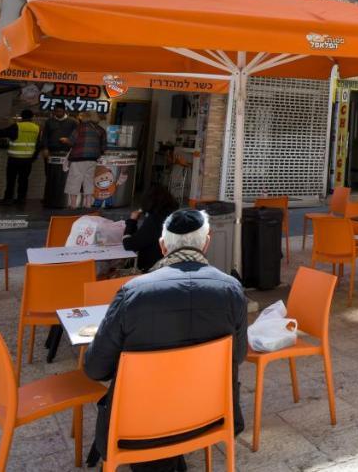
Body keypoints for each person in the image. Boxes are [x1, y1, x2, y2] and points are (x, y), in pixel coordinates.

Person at [84, 208, 247, 471]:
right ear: (207, 243)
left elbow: (95, 368)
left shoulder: (134, 292)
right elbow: (237, 356)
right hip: (209, 416)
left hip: (139, 427)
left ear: (162, 246)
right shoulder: (231, 289)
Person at [0, 108, 41, 206]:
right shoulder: (37, 128)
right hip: (28, 160)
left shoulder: (17, 126)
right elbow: (38, 144)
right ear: (32, 117)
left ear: (22, 116)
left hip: (14, 158)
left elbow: (1, 133)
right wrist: (34, 157)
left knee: (11, 180)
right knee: (24, 180)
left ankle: (8, 199)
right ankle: (21, 200)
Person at [122, 184, 180, 272]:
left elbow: (129, 245)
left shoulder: (155, 220)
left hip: (154, 269)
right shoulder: (176, 215)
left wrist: (132, 221)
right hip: (174, 266)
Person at [65, 112, 107, 209]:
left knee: (74, 180)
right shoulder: (101, 130)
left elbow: (71, 141)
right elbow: (104, 148)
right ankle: (88, 204)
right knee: (89, 180)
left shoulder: (80, 128)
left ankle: (73, 205)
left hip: (78, 158)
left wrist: (65, 140)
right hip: (92, 159)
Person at [40, 104, 77, 209]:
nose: (58, 113)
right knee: (50, 175)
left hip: (66, 153)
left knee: (64, 177)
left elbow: (77, 135)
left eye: (60, 111)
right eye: (56, 111)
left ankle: (63, 199)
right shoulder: (49, 122)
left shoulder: (73, 122)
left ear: (65, 111)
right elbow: (45, 136)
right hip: (52, 152)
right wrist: (45, 148)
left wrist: (69, 141)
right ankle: (49, 198)